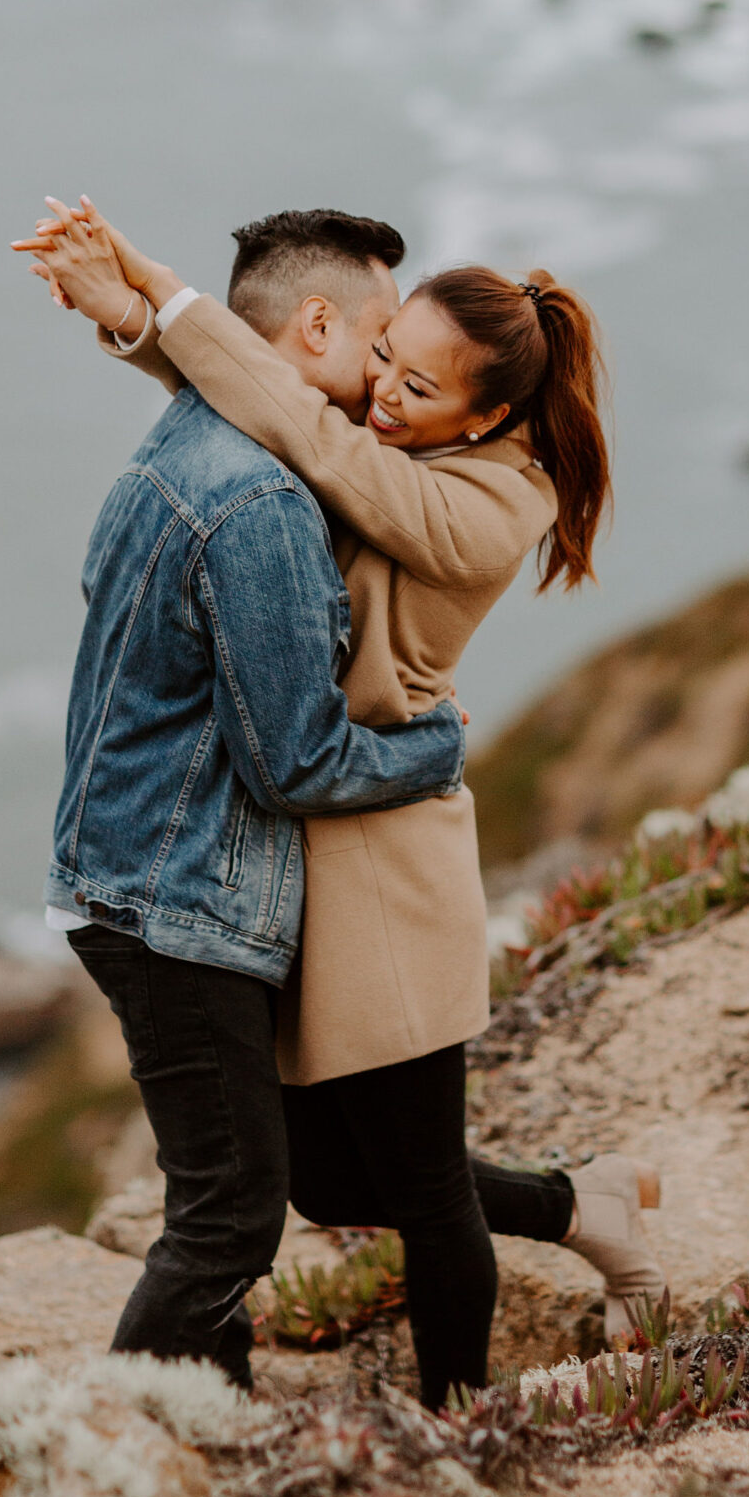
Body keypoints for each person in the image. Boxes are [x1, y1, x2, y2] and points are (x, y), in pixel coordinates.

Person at [17, 199, 667, 1407]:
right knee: (320, 1180)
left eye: (414, 385)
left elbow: (301, 430)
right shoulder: (404, 444)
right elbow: (283, 397)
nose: (381, 396)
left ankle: (461, 1420)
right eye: (384, 360)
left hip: (389, 840)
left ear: (490, 415)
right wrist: (133, 306)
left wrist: (153, 298)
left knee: (418, 1190)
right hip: (319, 825)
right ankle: (582, 1199)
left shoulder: (482, 506)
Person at [28, 205, 468, 1393]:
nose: (388, 376)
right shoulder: (263, 501)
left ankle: (202, 1422)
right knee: (230, 1217)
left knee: (235, 1191)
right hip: (180, 900)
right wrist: (434, 752)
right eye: (381, 341)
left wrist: (132, 313)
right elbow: (301, 764)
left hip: (116, 874)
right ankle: (114, 1443)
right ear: (316, 323)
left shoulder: (183, 438)